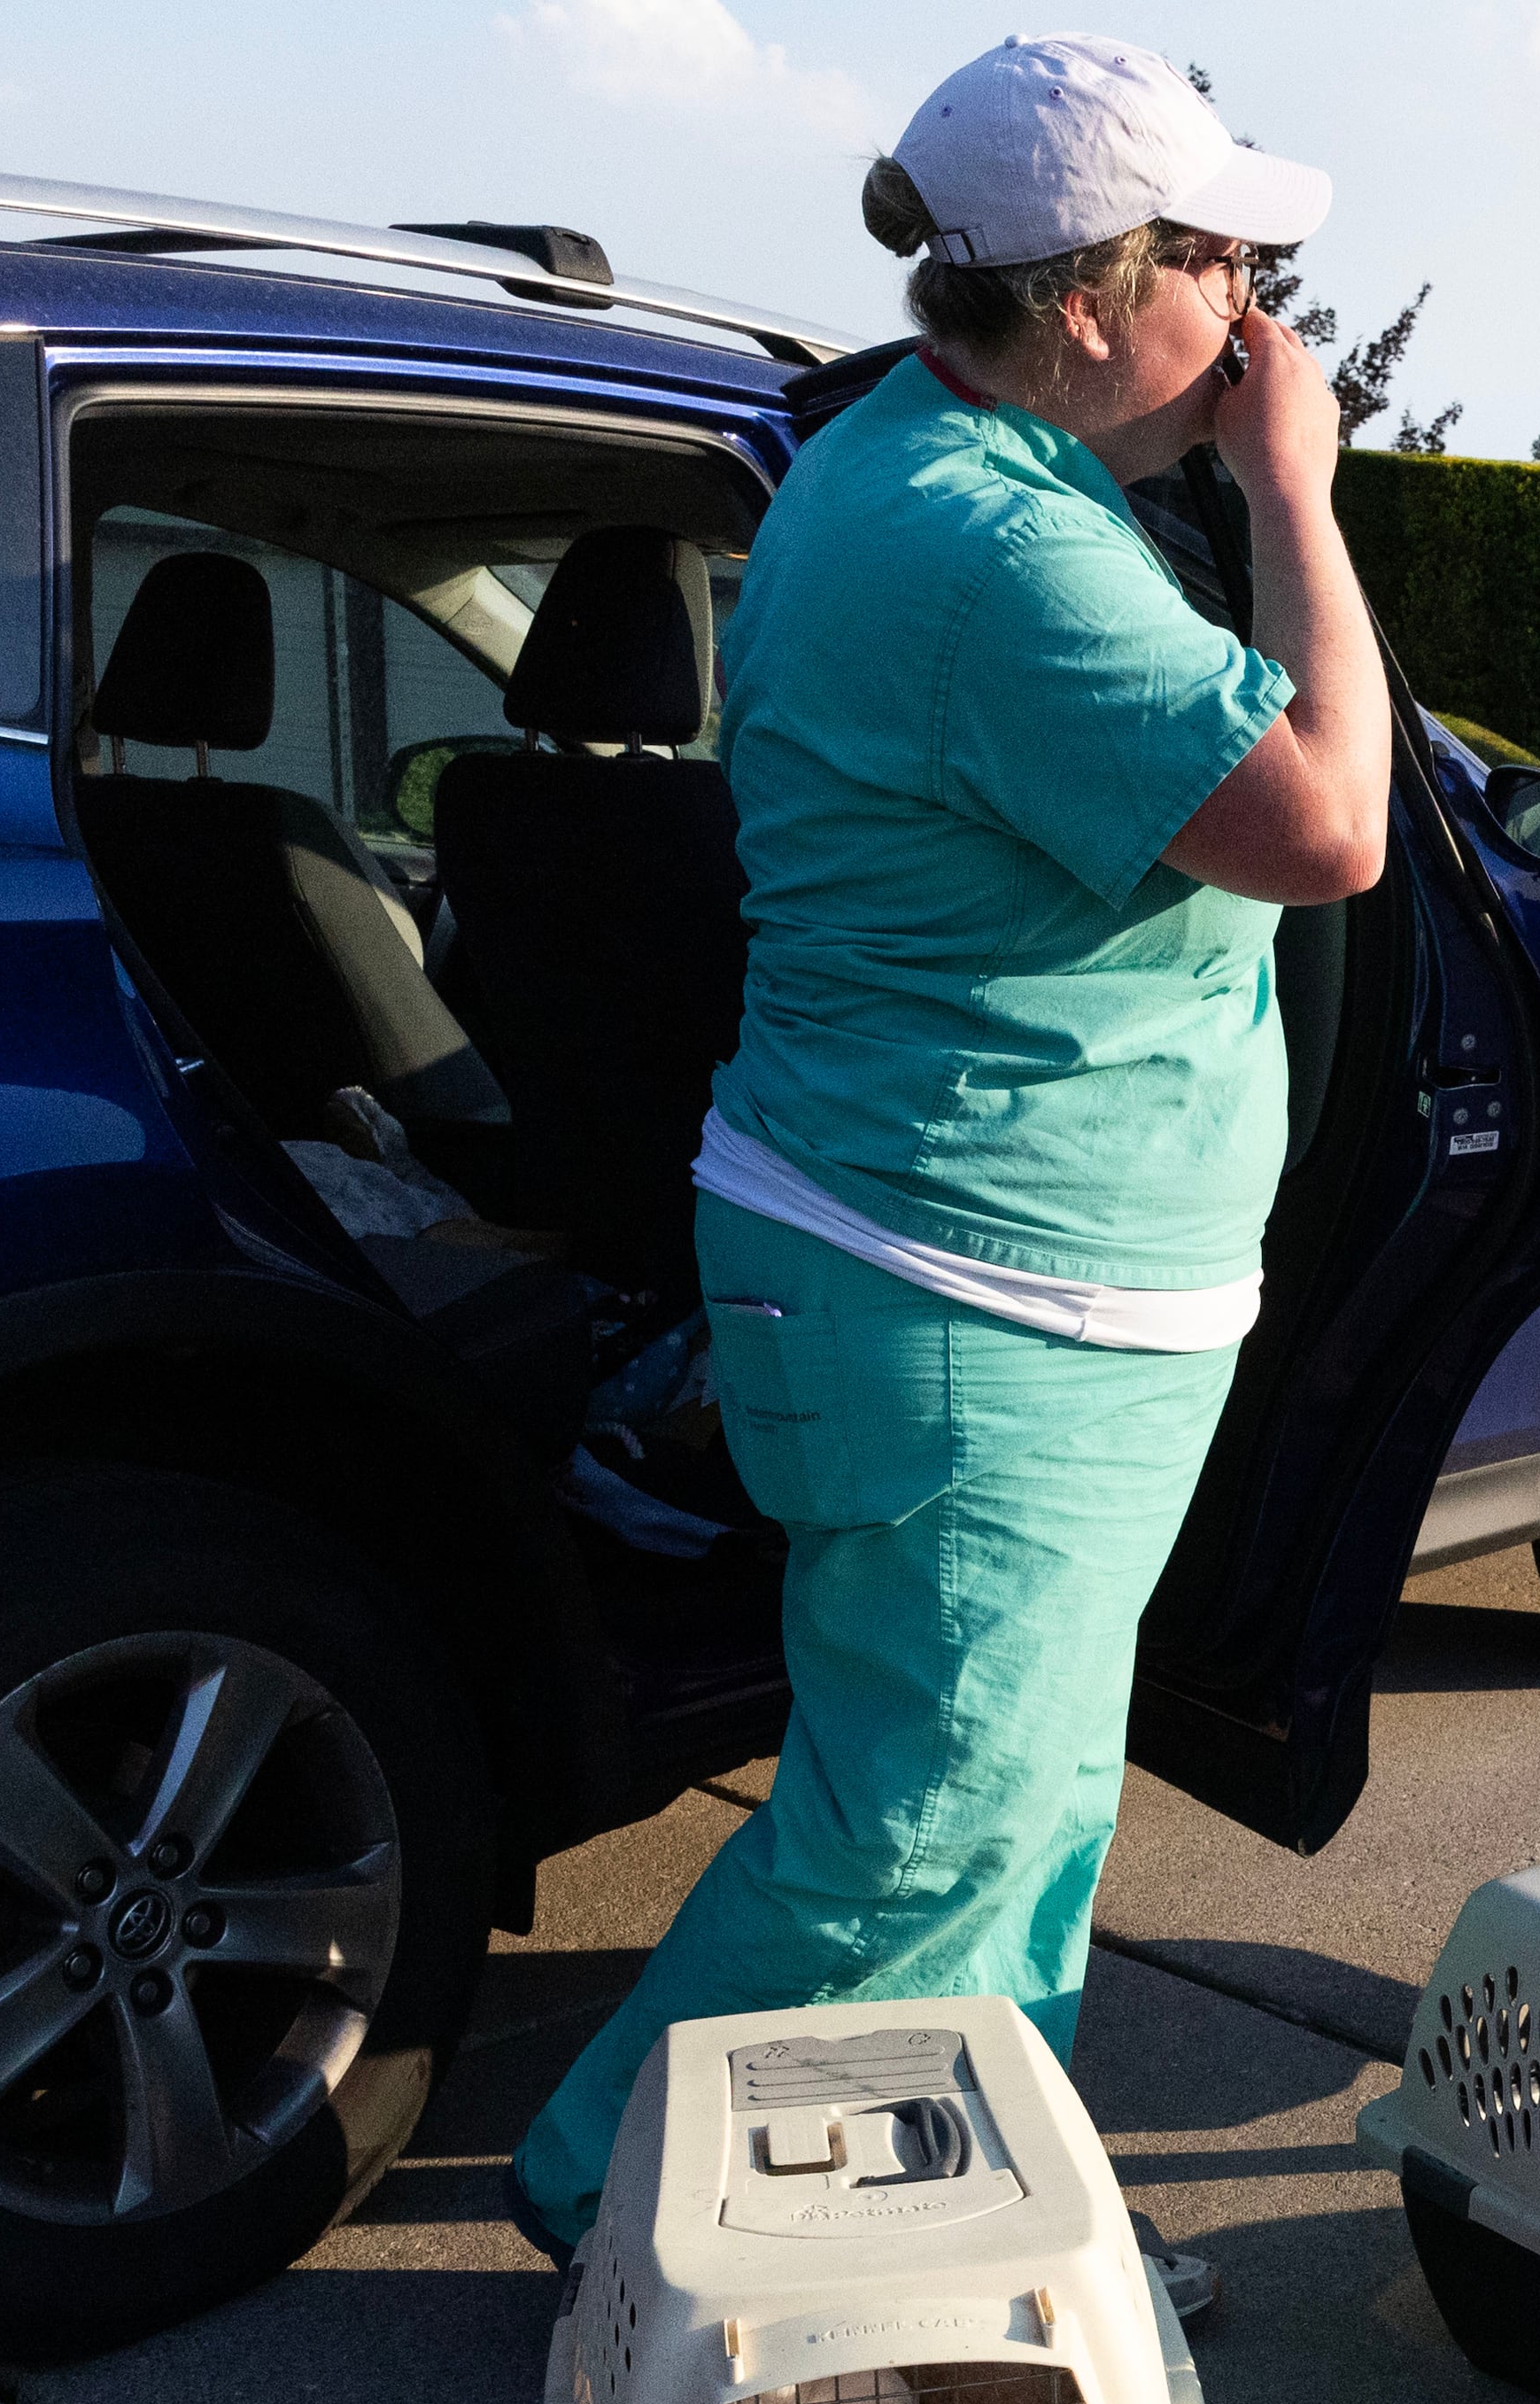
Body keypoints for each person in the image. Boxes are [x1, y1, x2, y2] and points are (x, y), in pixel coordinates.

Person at [507, 33, 1389, 2255]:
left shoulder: (923, 463)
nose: (1255, 315)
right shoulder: (993, 549)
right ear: (1091, 298)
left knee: (1013, 1801)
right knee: (918, 1828)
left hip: (984, 1278)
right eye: (1216, 263)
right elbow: (1332, 823)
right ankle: (626, 2210)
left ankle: (952, 2210)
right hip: (974, 1286)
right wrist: (1296, 493)